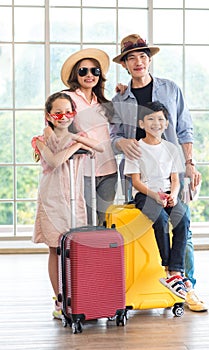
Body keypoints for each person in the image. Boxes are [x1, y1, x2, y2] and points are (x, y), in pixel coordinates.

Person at [110, 33, 207, 312]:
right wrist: (121, 142)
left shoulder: (170, 89)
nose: (138, 62)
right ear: (125, 65)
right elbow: (113, 135)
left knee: (183, 228)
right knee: (156, 222)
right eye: (131, 58)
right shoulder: (120, 99)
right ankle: (162, 281)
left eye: (143, 56)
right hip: (142, 180)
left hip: (173, 171)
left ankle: (187, 289)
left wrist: (189, 163)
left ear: (149, 60)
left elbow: (185, 129)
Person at [31, 92, 103, 319]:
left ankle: (79, 296)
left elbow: (99, 147)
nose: (63, 117)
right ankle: (59, 299)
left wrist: (78, 139)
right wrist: (76, 145)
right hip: (52, 198)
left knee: (76, 248)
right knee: (55, 247)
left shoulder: (78, 135)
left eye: (68, 112)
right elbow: (54, 160)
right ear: (49, 116)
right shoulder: (41, 139)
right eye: (57, 113)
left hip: (74, 197)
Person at [124, 101, 191, 298]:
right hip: (145, 195)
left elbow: (175, 180)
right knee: (160, 219)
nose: (156, 123)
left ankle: (176, 272)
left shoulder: (171, 148)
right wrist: (155, 195)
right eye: (150, 119)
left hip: (168, 193)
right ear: (141, 124)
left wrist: (172, 195)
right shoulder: (135, 147)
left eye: (160, 119)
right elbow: (135, 182)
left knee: (183, 218)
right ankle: (168, 268)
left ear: (167, 124)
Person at [60, 48, 118, 225]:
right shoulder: (67, 98)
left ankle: (100, 254)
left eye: (95, 71)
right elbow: (58, 129)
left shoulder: (104, 102)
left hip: (109, 168)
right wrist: (80, 141)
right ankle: (84, 253)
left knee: (103, 221)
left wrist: (122, 91)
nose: (89, 75)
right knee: (86, 220)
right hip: (84, 169)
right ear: (75, 74)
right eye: (83, 71)